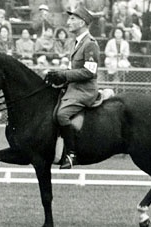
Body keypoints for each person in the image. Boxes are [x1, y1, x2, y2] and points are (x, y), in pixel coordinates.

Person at [44, 6, 100, 169]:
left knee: (62, 114)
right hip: (73, 88)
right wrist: (58, 76)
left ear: (82, 22)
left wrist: (65, 75)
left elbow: (89, 71)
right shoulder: (77, 42)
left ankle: (72, 154)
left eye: (72, 19)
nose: (68, 22)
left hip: (84, 91)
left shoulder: (90, 44)